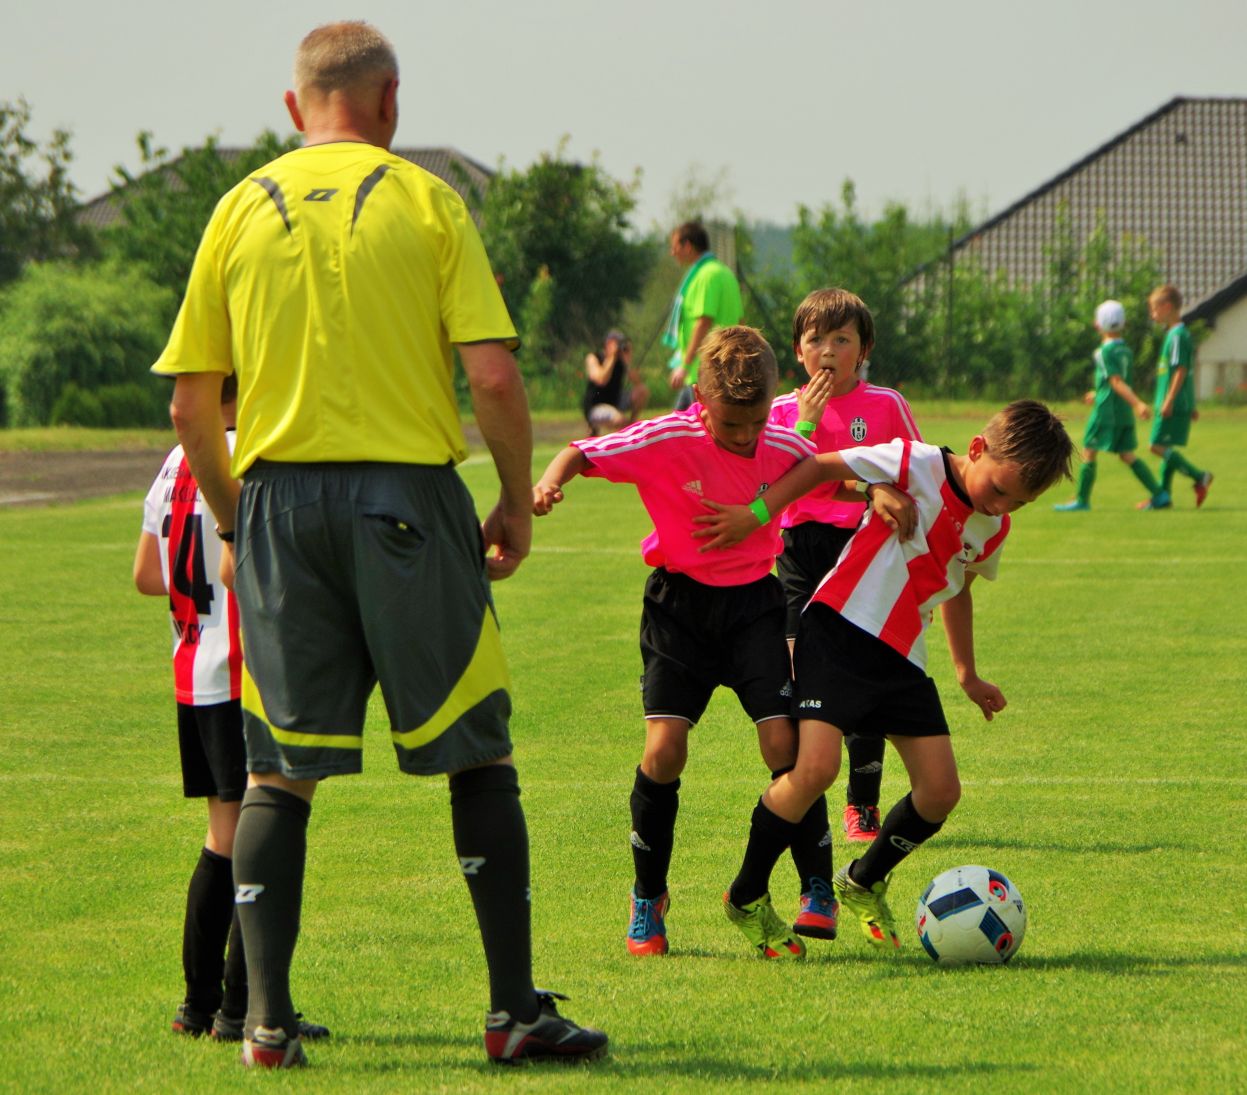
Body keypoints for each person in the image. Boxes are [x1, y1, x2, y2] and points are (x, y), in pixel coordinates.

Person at [151, 21, 606, 1069]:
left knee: (277, 772)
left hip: (275, 503)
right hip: (406, 500)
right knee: (477, 755)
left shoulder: (237, 207)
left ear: (293, 106)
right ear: (391, 100)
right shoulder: (425, 199)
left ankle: (265, 1025)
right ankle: (512, 1013)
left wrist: (235, 522)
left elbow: (189, 406)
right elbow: (491, 376)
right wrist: (514, 501)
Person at [694, 401, 1073, 956]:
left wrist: (966, 673)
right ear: (976, 449)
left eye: (1018, 502)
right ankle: (746, 894)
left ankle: (862, 879)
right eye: (999, 489)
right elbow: (819, 466)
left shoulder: (993, 528)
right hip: (839, 628)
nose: (1001, 505)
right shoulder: (914, 462)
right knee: (815, 769)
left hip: (902, 656)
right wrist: (762, 513)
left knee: (940, 792)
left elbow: (958, 588)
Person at [536, 326, 828, 959]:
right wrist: (549, 482)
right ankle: (649, 895)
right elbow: (581, 451)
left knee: (785, 746)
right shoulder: (666, 438)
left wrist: (768, 508)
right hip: (679, 611)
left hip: (755, 607)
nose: (746, 437)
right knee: (664, 751)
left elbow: (816, 466)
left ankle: (814, 885)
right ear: (700, 399)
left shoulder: (778, 442)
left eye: (756, 423)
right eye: (731, 425)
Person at [134, 377, 329, 1046]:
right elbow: (234, 566)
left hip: (192, 668)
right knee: (261, 831)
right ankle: (246, 1008)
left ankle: (200, 1005)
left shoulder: (177, 457)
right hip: (245, 667)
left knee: (223, 835)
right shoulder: (251, 452)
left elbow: (148, 574)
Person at [770, 288, 923, 843]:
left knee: (861, 675)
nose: (828, 350)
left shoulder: (886, 405)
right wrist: (808, 425)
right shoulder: (782, 412)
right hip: (797, 553)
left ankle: (863, 803)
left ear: (864, 350)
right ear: (798, 351)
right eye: (816, 340)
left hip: (862, 550)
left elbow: (912, 476)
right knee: (797, 672)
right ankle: (797, 791)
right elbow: (779, 481)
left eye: (842, 339)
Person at [1055, 300, 1163, 512]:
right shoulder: (1125, 350)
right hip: (1121, 411)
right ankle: (1159, 494)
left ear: (1098, 324)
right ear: (1124, 323)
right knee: (1127, 454)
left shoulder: (1104, 352)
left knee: (1089, 450)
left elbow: (1116, 382)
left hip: (1106, 412)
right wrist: (1099, 393)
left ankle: (1082, 500)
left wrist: (1138, 404)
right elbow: (1118, 382)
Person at [1138, 284, 1213, 509]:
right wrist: (1191, 403)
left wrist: (1169, 400)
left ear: (1167, 307)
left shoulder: (1178, 335)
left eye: (1154, 309)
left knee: (1156, 446)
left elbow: (1181, 370)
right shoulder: (1174, 334)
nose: (1153, 314)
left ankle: (1200, 476)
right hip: (1178, 401)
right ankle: (1164, 497)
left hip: (1172, 402)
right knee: (1165, 446)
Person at [662, 221, 743, 411]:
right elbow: (740, 321)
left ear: (687, 246)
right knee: (683, 422)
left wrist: (685, 364)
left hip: (703, 370)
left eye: (674, 247)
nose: (672, 253)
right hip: (723, 368)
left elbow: (703, 322)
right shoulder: (725, 273)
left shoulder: (705, 276)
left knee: (688, 425)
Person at [583, 329, 649, 435]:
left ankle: (632, 424)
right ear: (607, 343)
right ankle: (595, 428)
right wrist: (611, 357)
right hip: (595, 406)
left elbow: (637, 382)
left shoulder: (621, 360)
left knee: (642, 391)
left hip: (615, 400)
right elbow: (601, 380)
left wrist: (627, 361)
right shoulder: (594, 358)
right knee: (619, 420)